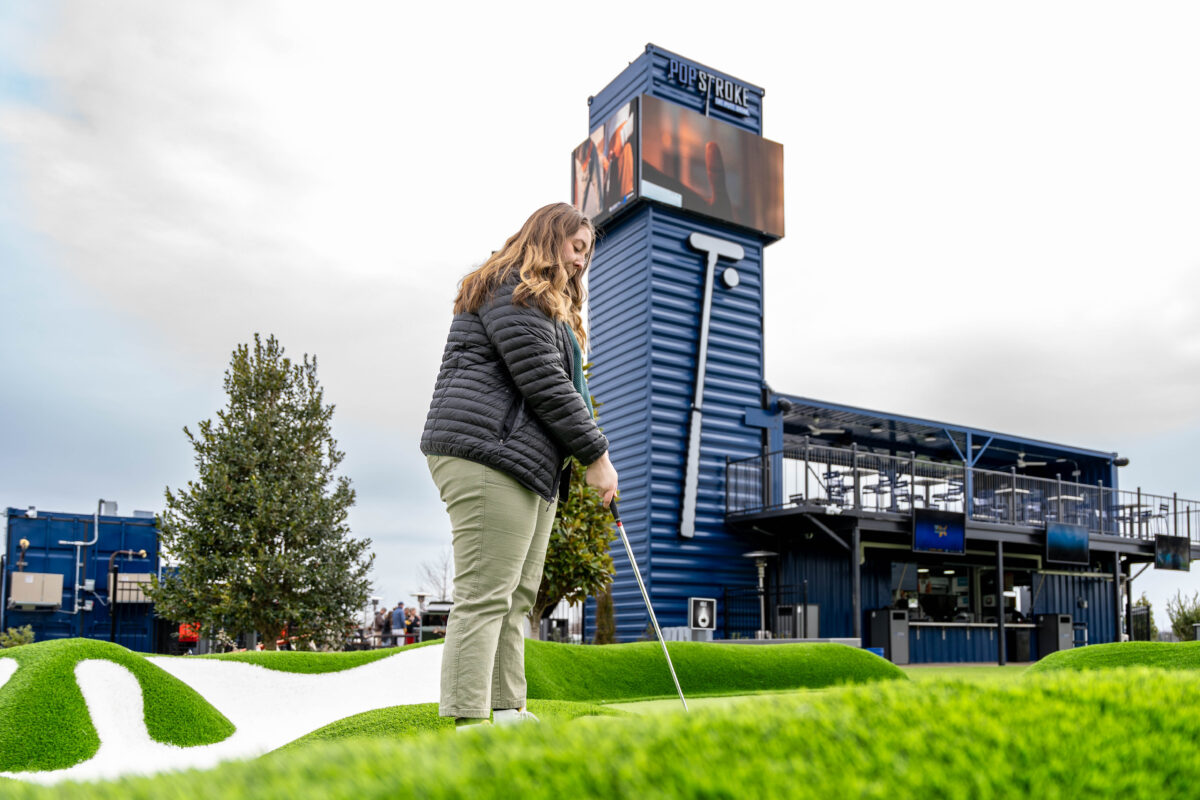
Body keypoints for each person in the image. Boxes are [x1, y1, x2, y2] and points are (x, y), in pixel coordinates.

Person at [421, 202, 618, 731]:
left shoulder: (546, 306)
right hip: (489, 452)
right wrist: (596, 455)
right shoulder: (513, 287)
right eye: (577, 247)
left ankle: (507, 709)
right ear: (548, 236)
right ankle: (468, 724)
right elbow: (545, 383)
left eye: (587, 254)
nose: (581, 262)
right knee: (486, 593)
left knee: (517, 597)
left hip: (525, 462)